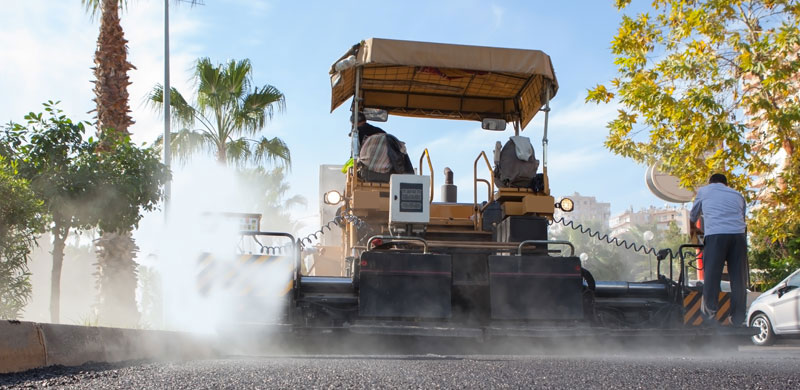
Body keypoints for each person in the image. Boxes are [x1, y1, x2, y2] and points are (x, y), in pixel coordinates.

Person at [689, 173, 747, 326]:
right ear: (726, 184)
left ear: (710, 182)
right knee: (739, 280)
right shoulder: (738, 195)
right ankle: (738, 319)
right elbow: (742, 217)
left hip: (715, 236)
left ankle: (709, 318)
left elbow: (693, 216)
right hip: (738, 237)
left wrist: (695, 238)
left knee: (712, 278)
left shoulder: (704, 191)